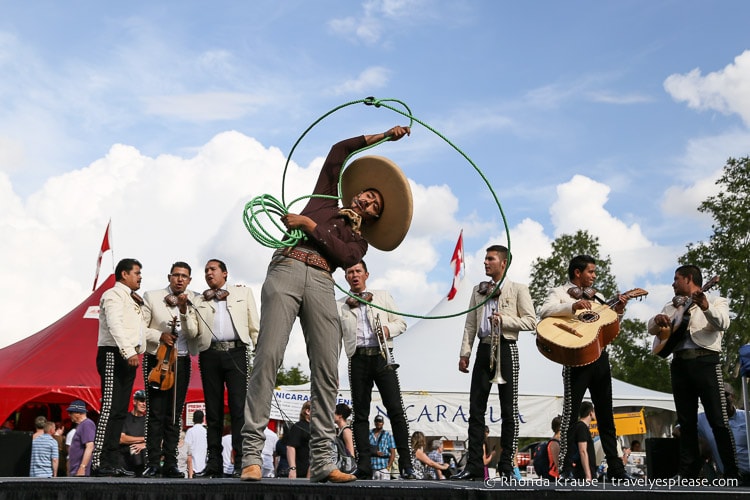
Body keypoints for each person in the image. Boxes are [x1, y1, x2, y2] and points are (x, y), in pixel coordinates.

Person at [240, 125, 413, 483]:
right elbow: (339, 151)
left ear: (373, 216)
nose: (366, 201)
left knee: (327, 369)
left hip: (321, 280)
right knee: (268, 355)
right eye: (367, 195)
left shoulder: (359, 243)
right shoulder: (325, 199)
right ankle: (251, 455)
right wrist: (383, 136)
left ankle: (321, 461)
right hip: (288, 264)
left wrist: (308, 225)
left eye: (374, 205)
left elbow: (346, 257)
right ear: (358, 194)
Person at [538, 255, 630, 481]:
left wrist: (619, 311)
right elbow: (544, 310)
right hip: (575, 358)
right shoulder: (559, 292)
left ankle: (616, 470)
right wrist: (572, 306)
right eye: (591, 271)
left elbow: (604, 325)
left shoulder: (598, 297)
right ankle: (566, 468)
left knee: (606, 416)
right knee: (570, 415)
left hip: (599, 358)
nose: (594, 276)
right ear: (577, 273)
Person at [452, 245, 536, 481]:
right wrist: (465, 353)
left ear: (503, 263)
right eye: (485, 259)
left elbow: (531, 321)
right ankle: (474, 465)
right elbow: (470, 323)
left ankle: (507, 465)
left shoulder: (518, 289)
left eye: (490, 259)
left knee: (508, 409)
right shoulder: (478, 291)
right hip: (484, 347)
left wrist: (505, 320)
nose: (485, 263)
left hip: (506, 348)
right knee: (476, 408)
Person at [648, 264, 738, 480]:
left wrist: (706, 306)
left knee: (719, 420)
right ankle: (687, 473)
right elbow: (653, 329)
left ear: (689, 279)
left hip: (706, 363)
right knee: (686, 422)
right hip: (680, 365)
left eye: (676, 278)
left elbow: (722, 323)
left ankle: (732, 472)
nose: (672, 283)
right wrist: (657, 321)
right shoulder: (671, 305)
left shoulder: (717, 301)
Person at [338, 260, 412, 480]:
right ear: (346, 277)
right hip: (358, 359)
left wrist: (388, 329)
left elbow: (402, 323)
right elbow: (336, 338)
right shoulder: (340, 304)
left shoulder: (383, 296)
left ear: (366, 274)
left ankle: (406, 464)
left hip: (382, 357)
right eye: (350, 272)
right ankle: (363, 465)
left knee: (396, 411)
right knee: (360, 415)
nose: (354, 275)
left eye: (358, 271)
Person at [187, 259, 259, 478]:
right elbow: (192, 332)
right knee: (213, 410)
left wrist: (259, 356)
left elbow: (254, 326)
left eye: (213, 269)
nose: (209, 273)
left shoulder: (242, 293)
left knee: (239, 408)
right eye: (206, 270)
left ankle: (241, 461)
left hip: (236, 352)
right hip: (209, 354)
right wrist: (184, 311)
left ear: (225, 274)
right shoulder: (198, 299)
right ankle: (214, 462)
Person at [93, 258, 155, 477]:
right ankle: (99, 460)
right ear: (123, 274)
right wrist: (128, 351)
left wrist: (161, 336)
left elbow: (138, 331)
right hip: (113, 353)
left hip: (129, 355)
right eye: (137, 272)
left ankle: (112, 460)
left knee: (120, 411)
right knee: (109, 407)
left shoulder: (131, 299)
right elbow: (114, 324)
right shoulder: (113, 295)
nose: (140, 276)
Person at [142, 261, 200, 478]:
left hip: (182, 360)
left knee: (174, 414)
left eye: (184, 276)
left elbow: (194, 333)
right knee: (156, 413)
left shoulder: (195, 299)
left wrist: (184, 310)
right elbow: (142, 327)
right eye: (176, 275)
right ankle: (153, 462)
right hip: (158, 359)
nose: (180, 279)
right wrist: (160, 336)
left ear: (189, 280)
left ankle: (171, 462)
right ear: (169, 277)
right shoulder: (152, 296)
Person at [698, 384, 749, 483]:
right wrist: (700, 441)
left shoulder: (747, 417)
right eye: (716, 395)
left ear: (733, 397)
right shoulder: (703, 419)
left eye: (725, 394)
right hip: (728, 479)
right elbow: (678, 431)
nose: (721, 399)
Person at [119, 390, 147, 476]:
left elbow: (160, 440)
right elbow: (121, 439)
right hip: (124, 462)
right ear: (134, 402)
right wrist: (145, 439)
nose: (144, 404)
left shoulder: (149, 421)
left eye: (146, 402)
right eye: (142, 401)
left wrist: (145, 445)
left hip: (143, 463)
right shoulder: (124, 418)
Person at [67, 400, 95, 477]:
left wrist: (82, 467)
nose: (69, 415)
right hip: (76, 471)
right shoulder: (82, 425)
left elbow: (90, 446)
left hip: (80, 472)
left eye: (71, 413)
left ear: (78, 413)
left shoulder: (87, 424)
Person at [286, 401, 312, 479]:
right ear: (307, 411)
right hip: (301, 472)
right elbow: (290, 447)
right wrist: (292, 469)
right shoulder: (299, 426)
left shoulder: (316, 428)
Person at [571, 402, 596, 481]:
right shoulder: (581, 427)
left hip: (582, 471)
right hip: (583, 473)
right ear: (590, 413)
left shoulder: (579, 426)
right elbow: (583, 451)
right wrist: (588, 474)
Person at [368, 415, 396, 480]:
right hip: (372, 468)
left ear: (383, 423)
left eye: (380, 421)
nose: (378, 423)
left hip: (384, 468)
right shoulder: (369, 434)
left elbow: (393, 452)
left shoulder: (388, 434)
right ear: (374, 422)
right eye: (377, 421)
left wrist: (388, 467)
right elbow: (365, 449)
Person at [185, 410, 208, 479]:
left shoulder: (190, 431)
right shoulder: (205, 431)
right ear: (203, 419)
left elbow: (187, 449)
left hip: (193, 468)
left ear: (193, 419)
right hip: (204, 467)